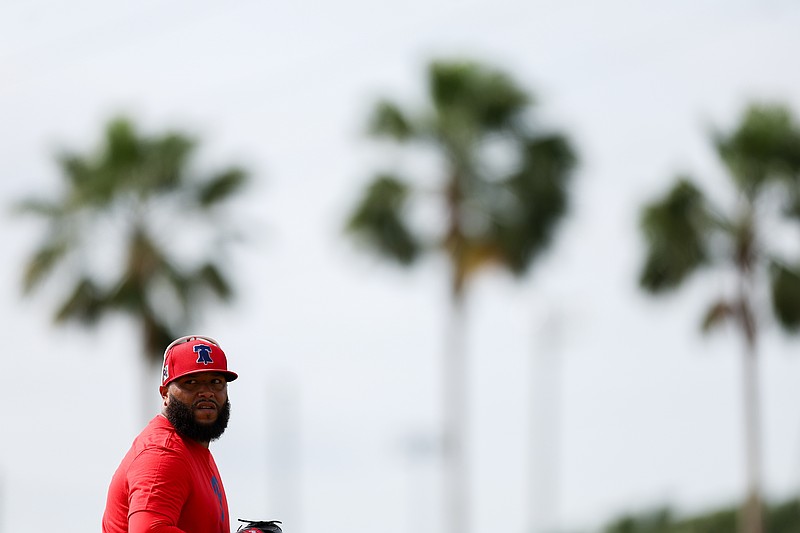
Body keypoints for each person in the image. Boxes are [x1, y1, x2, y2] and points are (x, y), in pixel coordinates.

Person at [102, 335, 238, 533]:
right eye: (191, 382)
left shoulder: (192, 448)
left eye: (216, 382)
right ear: (165, 393)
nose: (207, 392)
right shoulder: (163, 454)